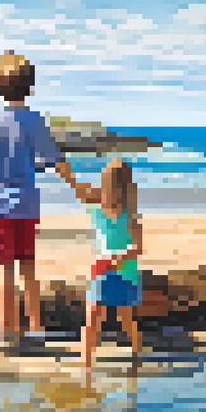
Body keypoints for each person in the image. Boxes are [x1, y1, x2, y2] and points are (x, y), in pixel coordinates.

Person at [0, 50, 69, 351]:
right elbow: (55, 159)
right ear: (30, 87)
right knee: (28, 266)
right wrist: (79, 186)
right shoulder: (34, 120)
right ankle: (36, 329)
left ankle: (6, 334)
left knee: (5, 270)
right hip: (26, 203)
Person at [57, 157, 144, 369]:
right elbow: (79, 190)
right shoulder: (98, 209)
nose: (108, 191)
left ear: (124, 190)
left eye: (114, 186)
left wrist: (120, 257)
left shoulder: (130, 217)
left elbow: (138, 248)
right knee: (93, 314)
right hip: (102, 269)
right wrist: (66, 172)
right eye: (106, 185)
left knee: (125, 317)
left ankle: (136, 350)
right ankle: (85, 361)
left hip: (125, 273)